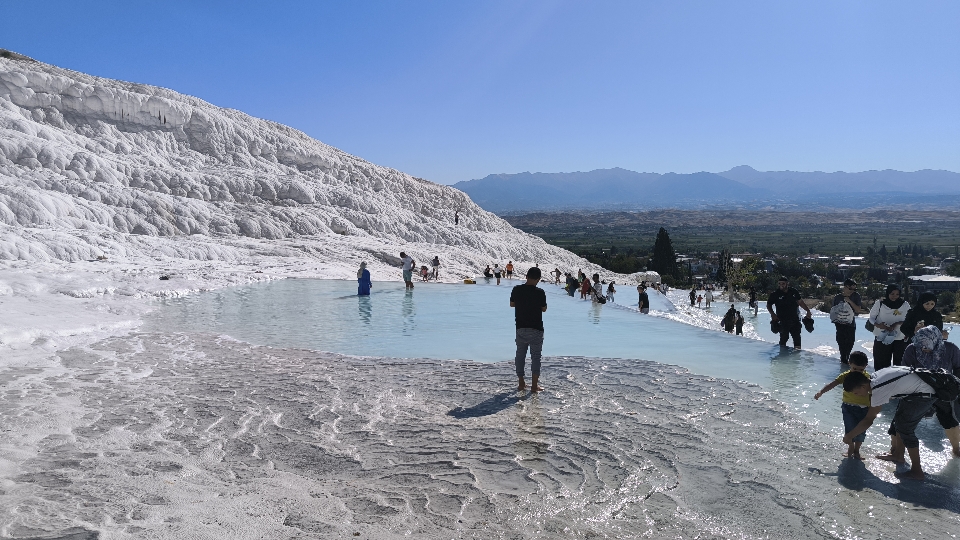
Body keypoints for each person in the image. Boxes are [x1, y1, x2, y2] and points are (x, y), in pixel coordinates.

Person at [842, 367, 945, 480]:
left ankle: (917, 471)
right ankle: (898, 455)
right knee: (898, 422)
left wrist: (849, 436)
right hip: (915, 391)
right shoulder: (874, 377)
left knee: (905, 429)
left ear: (863, 387)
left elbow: (869, 420)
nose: (856, 395)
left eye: (856, 393)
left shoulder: (878, 389)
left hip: (925, 393)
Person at [901, 325, 960, 457]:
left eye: (926, 345)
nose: (923, 348)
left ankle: (956, 449)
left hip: (943, 390)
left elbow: (958, 367)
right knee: (903, 421)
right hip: (918, 390)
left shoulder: (951, 348)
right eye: (920, 344)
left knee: (949, 420)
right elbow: (905, 370)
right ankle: (897, 451)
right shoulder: (912, 349)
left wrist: (956, 386)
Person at [814, 351, 871, 460]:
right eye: (854, 368)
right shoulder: (846, 375)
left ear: (865, 367)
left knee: (861, 430)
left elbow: (874, 391)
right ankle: (850, 447)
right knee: (849, 429)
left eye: (860, 370)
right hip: (848, 407)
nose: (857, 372)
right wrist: (821, 392)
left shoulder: (867, 378)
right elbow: (832, 384)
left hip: (864, 408)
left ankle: (857, 450)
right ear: (849, 364)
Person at [510, 267, 547, 393]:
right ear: (538, 279)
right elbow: (544, 309)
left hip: (520, 327)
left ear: (526, 276)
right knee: (536, 357)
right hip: (536, 328)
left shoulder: (516, 289)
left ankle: (521, 383)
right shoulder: (540, 292)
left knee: (520, 355)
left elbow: (512, 304)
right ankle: (534, 386)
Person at [868, 284, 909, 370]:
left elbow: (909, 319)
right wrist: (878, 325)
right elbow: (871, 318)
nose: (894, 296)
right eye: (892, 294)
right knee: (881, 363)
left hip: (899, 338)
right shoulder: (880, 303)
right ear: (888, 293)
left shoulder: (905, 305)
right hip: (882, 337)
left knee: (899, 365)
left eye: (897, 294)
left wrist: (897, 323)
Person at [767, 276, 812, 349]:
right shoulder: (775, 294)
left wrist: (808, 311)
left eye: (783, 283)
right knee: (784, 339)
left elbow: (800, 302)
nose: (781, 285)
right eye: (779, 283)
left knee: (797, 339)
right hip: (782, 320)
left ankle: (797, 355)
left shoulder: (793, 291)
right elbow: (769, 305)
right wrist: (773, 314)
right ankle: (782, 354)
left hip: (795, 319)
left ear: (787, 283)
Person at [831, 278, 864, 364]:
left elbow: (858, 310)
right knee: (841, 344)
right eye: (850, 289)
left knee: (850, 343)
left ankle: (847, 359)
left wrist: (849, 301)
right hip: (839, 324)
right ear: (845, 287)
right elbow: (833, 312)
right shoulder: (837, 298)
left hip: (850, 324)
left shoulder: (856, 296)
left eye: (854, 289)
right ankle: (843, 361)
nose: (852, 291)